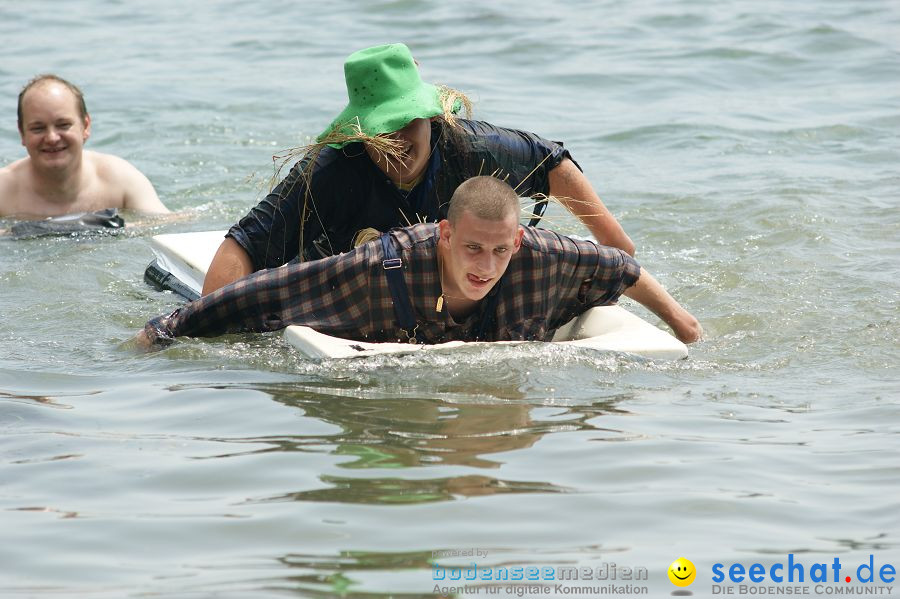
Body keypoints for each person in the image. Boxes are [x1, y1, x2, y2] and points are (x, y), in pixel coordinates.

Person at [201, 42, 635, 295]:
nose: (396, 141)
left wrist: (617, 249)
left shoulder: (472, 148)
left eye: (406, 122)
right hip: (344, 281)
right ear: (362, 132)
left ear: (430, 116)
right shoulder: (329, 173)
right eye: (380, 130)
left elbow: (551, 164)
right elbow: (243, 247)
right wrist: (217, 325)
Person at [137, 176, 701, 347]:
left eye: (500, 250)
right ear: (447, 235)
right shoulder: (384, 270)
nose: (485, 264)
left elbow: (620, 268)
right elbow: (268, 291)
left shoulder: (539, 256)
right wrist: (165, 330)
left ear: (519, 244)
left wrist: (683, 324)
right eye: (473, 248)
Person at [0, 74, 170, 218]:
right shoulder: (4, 189)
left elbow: (169, 225)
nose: (52, 138)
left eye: (63, 125)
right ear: (22, 133)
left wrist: (108, 227)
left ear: (85, 126)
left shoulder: (119, 180)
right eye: (38, 128)